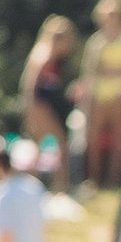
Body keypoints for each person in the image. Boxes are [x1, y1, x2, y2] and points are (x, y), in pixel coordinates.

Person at [77, 0, 121, 191]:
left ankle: (114, 180)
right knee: (93, 138)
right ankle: (93, 180)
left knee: (119, 140)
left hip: (120, 95)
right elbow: (91, 71)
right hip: (99, 96)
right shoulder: (96, 43)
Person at [18, 17, 74, 191]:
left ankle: (32, 185)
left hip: (40, 106)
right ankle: (62, 186)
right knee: (60, 143)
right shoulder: (45, 53)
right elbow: (30, 83)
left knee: (39, 147)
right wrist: (30, 108)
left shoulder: (46, 54)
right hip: (38, 106)